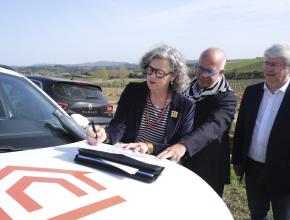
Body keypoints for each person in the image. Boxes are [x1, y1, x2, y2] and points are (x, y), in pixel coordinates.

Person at [87, 45, 194, 158]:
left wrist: (149, 147)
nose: (152, 75)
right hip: (126, 155)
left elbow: (179, 146)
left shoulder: (185, 106)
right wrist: (105, 135)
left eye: (160, 73)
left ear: (173, 76)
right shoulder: (133, 91)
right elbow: (119, 124)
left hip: (159, 163)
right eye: (150, 69)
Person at [158, 47, 237, 197]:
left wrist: (184, 145)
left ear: (221, 73)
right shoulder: (185, 89)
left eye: (209, 71)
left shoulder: (227, 98)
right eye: (199, 68)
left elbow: (213, 127)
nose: (201, 75)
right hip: (178, 159)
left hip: (208, 168)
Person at [231, 42, 290, 220]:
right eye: (266, 63)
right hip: (253, 169)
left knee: (283, 216)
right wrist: (238, 161)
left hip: (284, 173)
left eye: (275, 64)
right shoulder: (252, 92)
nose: (269, 68)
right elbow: (241, 128)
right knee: (257, 214)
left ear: (288, 68)